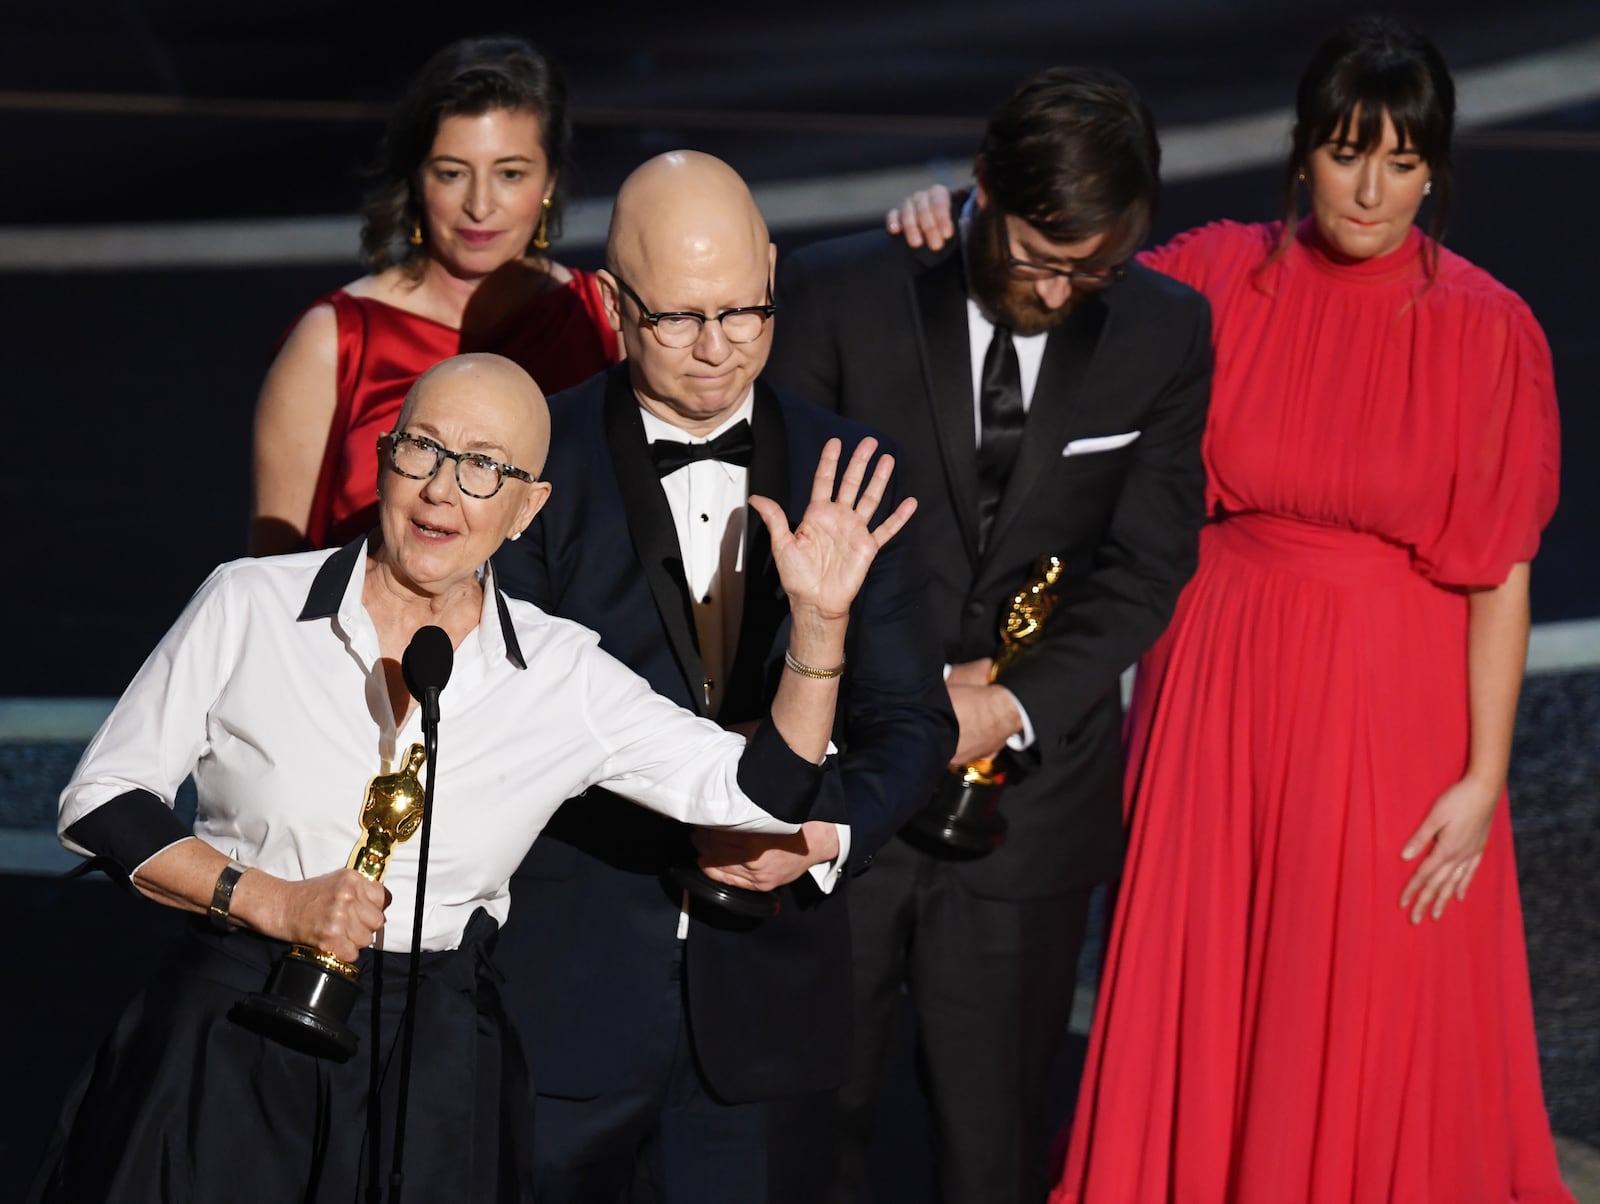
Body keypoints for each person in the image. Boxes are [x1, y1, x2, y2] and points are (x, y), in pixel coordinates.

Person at [892, 16, 1570, 1204]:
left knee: (1367, 993)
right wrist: (952, 212)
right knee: (1214, 979)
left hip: (1390, 704)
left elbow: (1499, 572)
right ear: (1301, 150)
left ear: (1433, 170)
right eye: (1347, 151)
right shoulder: (1209, 277)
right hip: (1216, 686)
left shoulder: (1487, 330)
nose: (1371, 187)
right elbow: (1062, 263)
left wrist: (1483, 776)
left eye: (1402, 161)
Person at [34, 351, 913, 1202]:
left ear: (528, 509)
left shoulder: (566, 674)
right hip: (230, 1021)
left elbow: (766, 793)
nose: (444, 489)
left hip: (433, 1054)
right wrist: (270, 901)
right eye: (424, 448)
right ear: (385, 458)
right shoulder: (250, 602)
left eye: (485, 467)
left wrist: (819, 623)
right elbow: (105, 801)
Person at [764, 69, 1213, 1204]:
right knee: (813, 1126)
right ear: (978, 191)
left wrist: (1002, 705)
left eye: (1093, 268)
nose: (1061, 293)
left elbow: (1146, 566)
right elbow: (771, 537)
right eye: (1036, 256)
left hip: (1027, 817)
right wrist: (904, 696)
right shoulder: (839, 295)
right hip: (844, 786)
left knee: (994, 1142)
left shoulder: (1162, 330)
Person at [490, 150, 957, 1204]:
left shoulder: (853, 465)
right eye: (680, 319)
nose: (716, 351)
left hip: (768, 1020)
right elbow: (508, 712)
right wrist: (707, 801)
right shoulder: (530, 460)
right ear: (613, 304)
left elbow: (909, 724)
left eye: (745, 313)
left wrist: (813, 835)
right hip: (567, 999)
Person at [250, 35, 619, 557]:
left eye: (510, 173)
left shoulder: (602, 323)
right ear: (417, 180)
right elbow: (273, 576)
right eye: (452, 173)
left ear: (549, 182)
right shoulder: (334, 342)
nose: (479, 205)